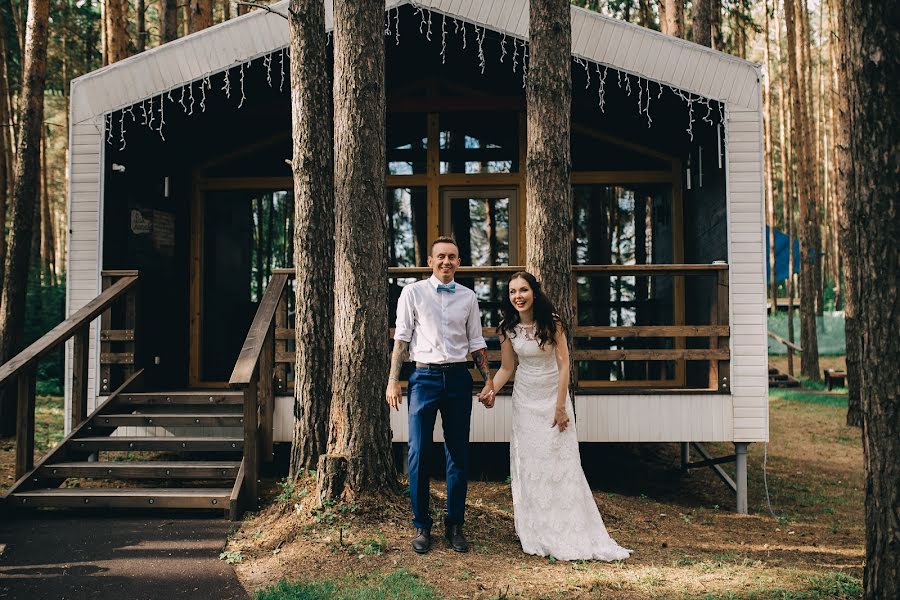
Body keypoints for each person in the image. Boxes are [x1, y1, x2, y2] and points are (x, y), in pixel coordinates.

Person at [480, 271, 632, 562]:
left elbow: (565, 365)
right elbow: (508, 368)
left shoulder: (553, 322)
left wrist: (561, 406)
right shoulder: (507, 327)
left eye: (523, 290)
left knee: (560, 463)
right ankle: (537, 531)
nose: (518, 296)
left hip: (553, 397)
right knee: (531, 465)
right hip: (525, 401)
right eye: (512, 292)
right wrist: (492, 391)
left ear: (534, 292)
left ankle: (569, 529)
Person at [386, 236, 494, 555]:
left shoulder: (468, 297)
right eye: (441, 257)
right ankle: (421, 525)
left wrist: (487, 380)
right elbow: (402, 340)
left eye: (452, 256)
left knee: (458, 453)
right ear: (431, 261)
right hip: (424, 378)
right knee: (418, 452)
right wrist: (393, 381)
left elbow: (476, 343)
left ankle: (455, 525)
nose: (446, 261)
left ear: (459, 262)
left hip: (459, 379)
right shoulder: (413, 293)